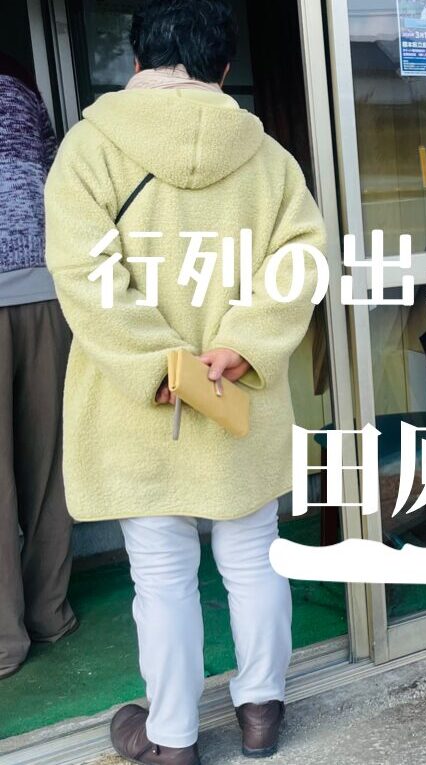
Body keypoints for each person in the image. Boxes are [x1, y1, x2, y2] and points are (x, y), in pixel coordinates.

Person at [44, 1, 323, 763]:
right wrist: (239, 344)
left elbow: (84, 275)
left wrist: (157, 363)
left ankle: (171, 738)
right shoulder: (268, 157)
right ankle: (261, 708)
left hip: (138, 402)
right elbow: (300, 260)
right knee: (254, 554)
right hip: (237, 394)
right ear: (223, 68)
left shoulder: (90, 148)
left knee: (161, 574)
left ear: (136, 60)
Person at [0, 54, 78, 681]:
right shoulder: (21, 92)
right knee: (49, 464)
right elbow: (56, 180)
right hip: (44, 290)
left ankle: (4, 640)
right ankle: (48, 612)